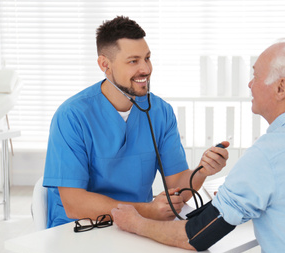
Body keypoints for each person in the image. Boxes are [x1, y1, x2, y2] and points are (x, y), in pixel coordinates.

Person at [112, 40, 285, 253]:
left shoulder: (268, 155)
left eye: (256, 75)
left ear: (281, 88)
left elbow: (195, 236)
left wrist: (136, 223)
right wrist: (241, 196)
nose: (250, 84)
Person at [42, 16, 229, 228]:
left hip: (137, 225)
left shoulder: (161, 112)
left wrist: (202, 171)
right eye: (133, 61)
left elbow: (177, 186)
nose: (146, 69)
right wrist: (147, 210)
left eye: (147, 58)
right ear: (105, 65)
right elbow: (74, 204)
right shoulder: (72, 116)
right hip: (80, 227)